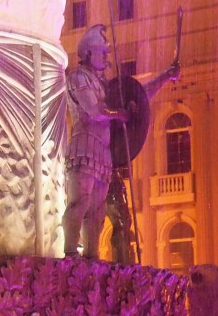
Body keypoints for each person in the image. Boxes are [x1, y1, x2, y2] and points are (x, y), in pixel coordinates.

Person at [64, 24, 179, 259]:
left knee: (97, 211)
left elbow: (139, 94)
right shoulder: (77, 78)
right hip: (85, 145)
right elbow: (94, 110)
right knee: (80, 202)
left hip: (104, 153)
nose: (106, 58)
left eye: (107, 53)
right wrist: (120, 113)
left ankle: (91, 255)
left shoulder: (105, 86)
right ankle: (69, 254)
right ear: (87, 53)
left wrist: (165, 77)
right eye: (101, 52)